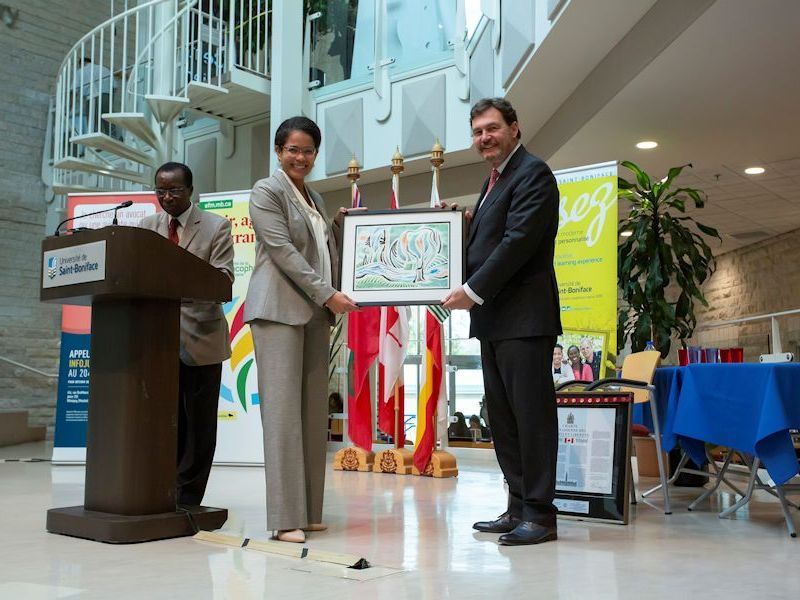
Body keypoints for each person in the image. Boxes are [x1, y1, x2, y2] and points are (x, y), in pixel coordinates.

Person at [442, 97, 562, 545]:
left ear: (515, 127)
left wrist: (471, 292)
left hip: (525, 319)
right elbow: (490, 236)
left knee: (532, 419)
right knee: (505, 420)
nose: (483, 138)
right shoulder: (494, 180)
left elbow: (518, 242)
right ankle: (517, 507)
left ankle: (541, 514)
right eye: (477, 132)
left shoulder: (534, 173)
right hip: (495, 320)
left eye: (491, 128)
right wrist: (461, 224)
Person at [244, 116, 358, 544]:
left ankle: (308, 512)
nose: (301, 157)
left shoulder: (314, 197)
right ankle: (284, 518)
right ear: (278, 151)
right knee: (283, 417)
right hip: (278, 311)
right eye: (293, 149)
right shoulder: (266, 190)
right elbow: (284, 251)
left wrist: (339, 224)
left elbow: (316, 247)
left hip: (312, 313)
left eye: (308, 150)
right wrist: (329, 294)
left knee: (312, 417)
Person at [139, 162, 234, 506]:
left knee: (198, 427)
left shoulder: (216, 226)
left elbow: (223, 280)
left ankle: (190, 496)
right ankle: (164, 488)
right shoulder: (147, 227)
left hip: (201, 339)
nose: (166, 197)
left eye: (174, 190)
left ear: (190, 191)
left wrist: (175, 286)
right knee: (165, 420)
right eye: (160, 190)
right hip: (158, 342)